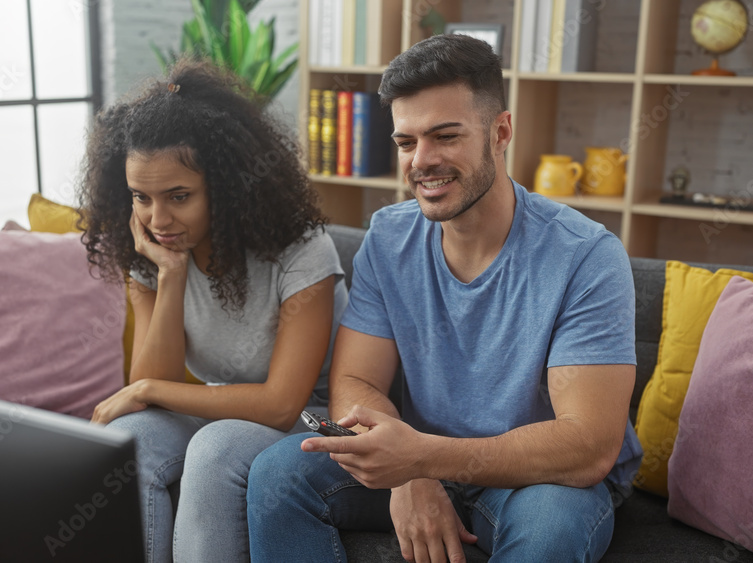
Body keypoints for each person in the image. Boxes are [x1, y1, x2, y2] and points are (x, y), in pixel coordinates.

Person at [246, 34, 642, 563]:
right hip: (422, 452)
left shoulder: (586, 255)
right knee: (278, 477)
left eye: (445, 136)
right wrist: (411, 473)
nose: (422, 161)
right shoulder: (387, 238)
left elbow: (587, 445)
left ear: (500, 132)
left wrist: (419, 459)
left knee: (550, 531)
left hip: (536, 478)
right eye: (407, 142)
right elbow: (355, 382)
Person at [77, 59, 347, 563]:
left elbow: (281, 405)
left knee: (216, 447)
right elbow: (150, 391)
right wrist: (171, 274)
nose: (158, 219)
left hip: (318, 416)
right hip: (227, 405)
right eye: (141, 197)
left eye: (179, 196)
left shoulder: (300, 249)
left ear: (226, 188)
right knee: (130, 436)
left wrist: (148, 388)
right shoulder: (151, 251)